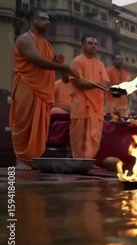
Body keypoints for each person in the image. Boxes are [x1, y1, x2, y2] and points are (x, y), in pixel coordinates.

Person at [9, 8, 77, 170]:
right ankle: (21, 159)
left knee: (38, 126)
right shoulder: (25, 39)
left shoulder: (46, 44)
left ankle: (32, 158)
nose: (48, 22)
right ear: (33, 19)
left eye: (48, 19)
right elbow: (37, 61)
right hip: (27, 86)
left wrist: (57, 64)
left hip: (43, 91)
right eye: (43, 19)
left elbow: (45, 64)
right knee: (23, 124)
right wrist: (65, 66)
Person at [69, 35, 110, 159]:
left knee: (94, 135)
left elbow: (105, 83)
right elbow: (77, 82)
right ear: (82, 45)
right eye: (90, 43)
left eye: (95, 44)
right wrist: (97, 84)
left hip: (96, 106)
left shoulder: (100, 64)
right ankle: (79, 160)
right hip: (81, 104)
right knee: (79, 135)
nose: (93, 46)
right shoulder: (77, 61)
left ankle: (89, 160)